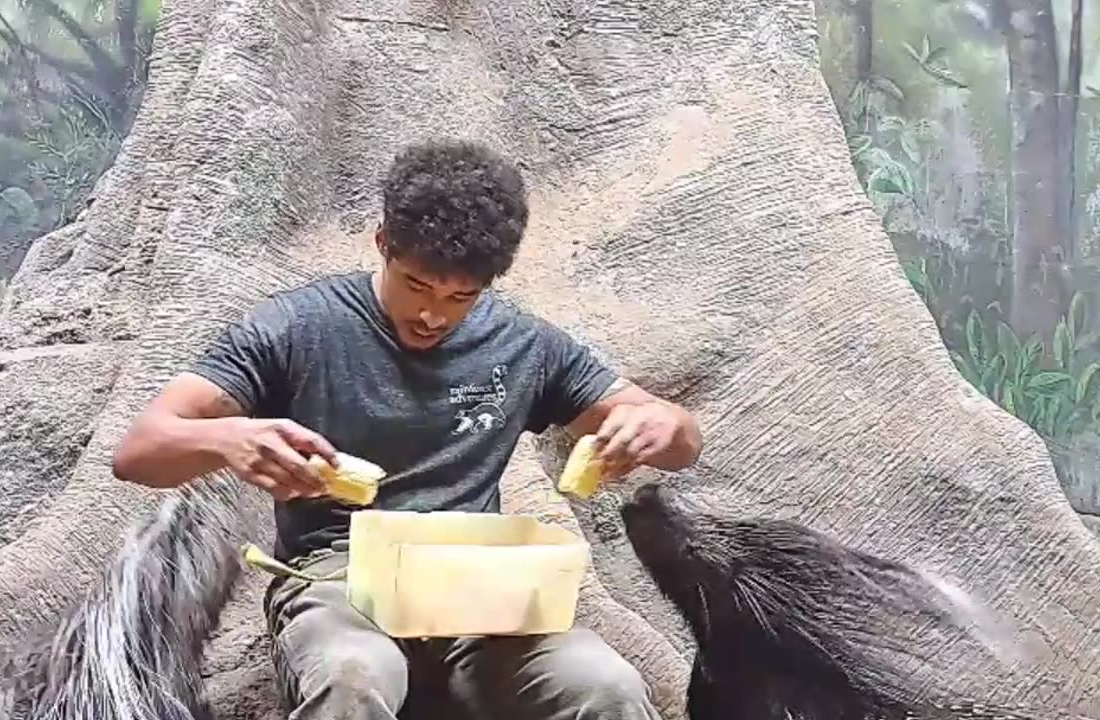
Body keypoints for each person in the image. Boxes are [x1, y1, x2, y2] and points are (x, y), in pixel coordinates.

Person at [111, 137, 703, 720]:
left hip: (476, 587)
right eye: (417, 285)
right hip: (339, 579)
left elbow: (681, 442)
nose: (432, 314)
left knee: (607, 685)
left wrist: (657, 425)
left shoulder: (524, 344)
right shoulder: (296, 327)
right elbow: (139, 451)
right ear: (383, 245)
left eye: (460, 298)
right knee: (352, 677)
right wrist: (226, 439)